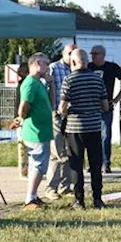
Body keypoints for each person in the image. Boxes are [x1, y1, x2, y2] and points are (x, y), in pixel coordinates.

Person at [58, 48, 106, 209]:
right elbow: (105, 105)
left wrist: (64, 110)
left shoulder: (69, 80)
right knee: (95, 164)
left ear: (72, 62)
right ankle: (97, 199)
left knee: (76, 165)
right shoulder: (97, 79)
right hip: (94, 126)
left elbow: (63, 108)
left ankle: (79, 200)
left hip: (75, 128)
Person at [10, 53, 52, 209]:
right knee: (38, 165)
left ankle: (33, 195)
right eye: (46, 64)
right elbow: (24, 105)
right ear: (37, 63)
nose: (48, 67)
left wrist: (51, 84)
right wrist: (22, 117)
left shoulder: (39, 82)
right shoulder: (30, 83)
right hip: (36, 131)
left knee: (39, 165)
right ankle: (30, 198)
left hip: (42, 130)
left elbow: (50, 102)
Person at [87, 45, 121, 174]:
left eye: (96, 53)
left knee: (105, 136)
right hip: (91, 107)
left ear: (103, 55)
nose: (93, 56)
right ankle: (93, 163)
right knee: (92, 137)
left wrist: (116, 98)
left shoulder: (112, 67)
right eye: (92, 54)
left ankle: (106, 163)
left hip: (106, 107)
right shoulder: (88, 67)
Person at [45, 43, 76, 196]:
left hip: (72, 116)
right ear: (64, 53)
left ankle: (65, 186)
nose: (71, 56)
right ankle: (51, 188)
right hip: (56, 115)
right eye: (69, 53)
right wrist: (51, 111)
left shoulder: (76, 69)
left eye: (74, 53)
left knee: (69, 152)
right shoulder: (53, 68)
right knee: (57, 153)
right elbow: (45, 90)